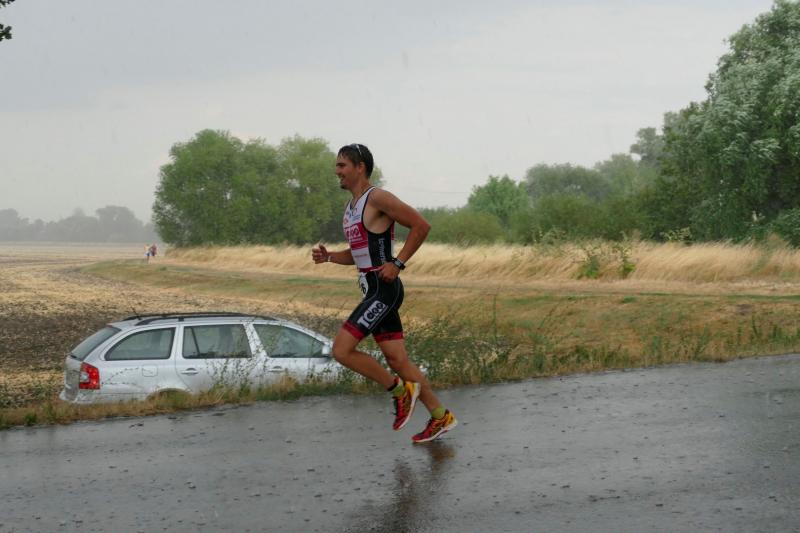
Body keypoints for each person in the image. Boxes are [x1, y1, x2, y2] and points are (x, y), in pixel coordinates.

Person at [311, 143, 457, 443]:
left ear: (360, 167)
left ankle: (400, 391)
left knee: (341, 350)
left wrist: (398, 263)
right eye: (337, 166)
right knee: (398, 360)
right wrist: (330, 257)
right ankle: (440, 416)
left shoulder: (376, 197)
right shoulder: (350, 208)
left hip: (384, 290)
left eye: (342, 165)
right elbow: (358, 254)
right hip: (372, 290)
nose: (337, 171)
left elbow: (421, 225)